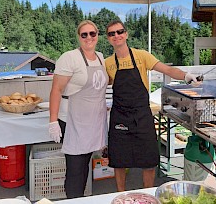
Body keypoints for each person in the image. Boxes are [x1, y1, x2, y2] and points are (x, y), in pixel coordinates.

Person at [105, 20, 199, 192]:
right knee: (119, 159)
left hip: (142, 113)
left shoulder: (141, 56)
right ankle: (121, 195)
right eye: (112, 33)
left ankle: (148, 193)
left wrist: (187, 76)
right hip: (120, 115)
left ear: (126, 34)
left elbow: (168, 70)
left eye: (119, 32)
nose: (116, 36)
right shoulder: (107, 63)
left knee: (148, 159)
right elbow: (101, 84)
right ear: (108, 38)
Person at [49, 20, 109, 199]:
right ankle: (73, 200)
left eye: (92, 34)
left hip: (93, 120)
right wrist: (53, 121)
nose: (89, 38)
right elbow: (56, 90)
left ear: (97, 36)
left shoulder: (100, 56)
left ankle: (79, 199)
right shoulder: (70, 57)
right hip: (72, 120)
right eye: (84, 34)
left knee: (84, 166)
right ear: (79, 37)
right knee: (75, 169)